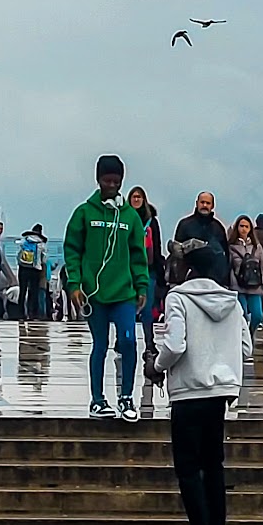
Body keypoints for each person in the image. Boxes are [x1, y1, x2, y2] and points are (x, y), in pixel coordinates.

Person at [152, 240, 252, 525]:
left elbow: (175, 345)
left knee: (188, 467)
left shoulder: (178, 298)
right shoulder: (232, 303)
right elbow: (246, 348)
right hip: (220, 392)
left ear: (188, 267)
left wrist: (156, 366)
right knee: (213, 465)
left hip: (189, 390)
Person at [64, 154, 148, 422]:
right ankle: (97, 400)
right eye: (107, 180)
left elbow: (138, 255)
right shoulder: (84, 213)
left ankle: (126, 397)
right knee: (100, 345)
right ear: (98, 179)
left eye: (116, 180)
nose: (111, 185)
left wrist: (142, 286)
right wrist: (75, 284)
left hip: (124, 293)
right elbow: (72, 250)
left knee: (128, 342)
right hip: (94, 294)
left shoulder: (130, 217)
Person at [128, 188, 165, 361]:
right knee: (127, 308)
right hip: (127, 270)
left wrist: (160, 273)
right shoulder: (124, 218)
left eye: (139, 197)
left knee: (147, 308)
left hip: (148, 269)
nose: (136, 200)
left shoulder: (152, 222)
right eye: (134, 197)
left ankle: (150, 343)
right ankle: (125, 340)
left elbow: (157, 246)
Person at [227, 215, 263, 333]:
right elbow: (229, 266)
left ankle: (250, 334)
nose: (244, 229)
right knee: (242, 314)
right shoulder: (231, 247)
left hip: (255, 286)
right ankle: (242, 338)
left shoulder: (257, 247)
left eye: (246, 226)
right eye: (241, 226)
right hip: (238, 286)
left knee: (258, 315)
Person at [174, 192, 230, 258]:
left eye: (208, 203)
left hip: (213, 266)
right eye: (202, 202)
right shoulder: (184, 225)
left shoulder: (218, 228)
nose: (205, 205)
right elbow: (177, 252)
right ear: (197, 203)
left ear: (212, 206)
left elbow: (225, 255)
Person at [16, 225, 47, 321]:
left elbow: (18, 256)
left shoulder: (24, 241)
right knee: (33, 292)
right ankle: (33, 314)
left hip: (23, 268)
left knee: (22, 291)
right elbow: (44, 259)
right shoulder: (41, 243)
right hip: (35, 269)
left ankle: (20, 313)